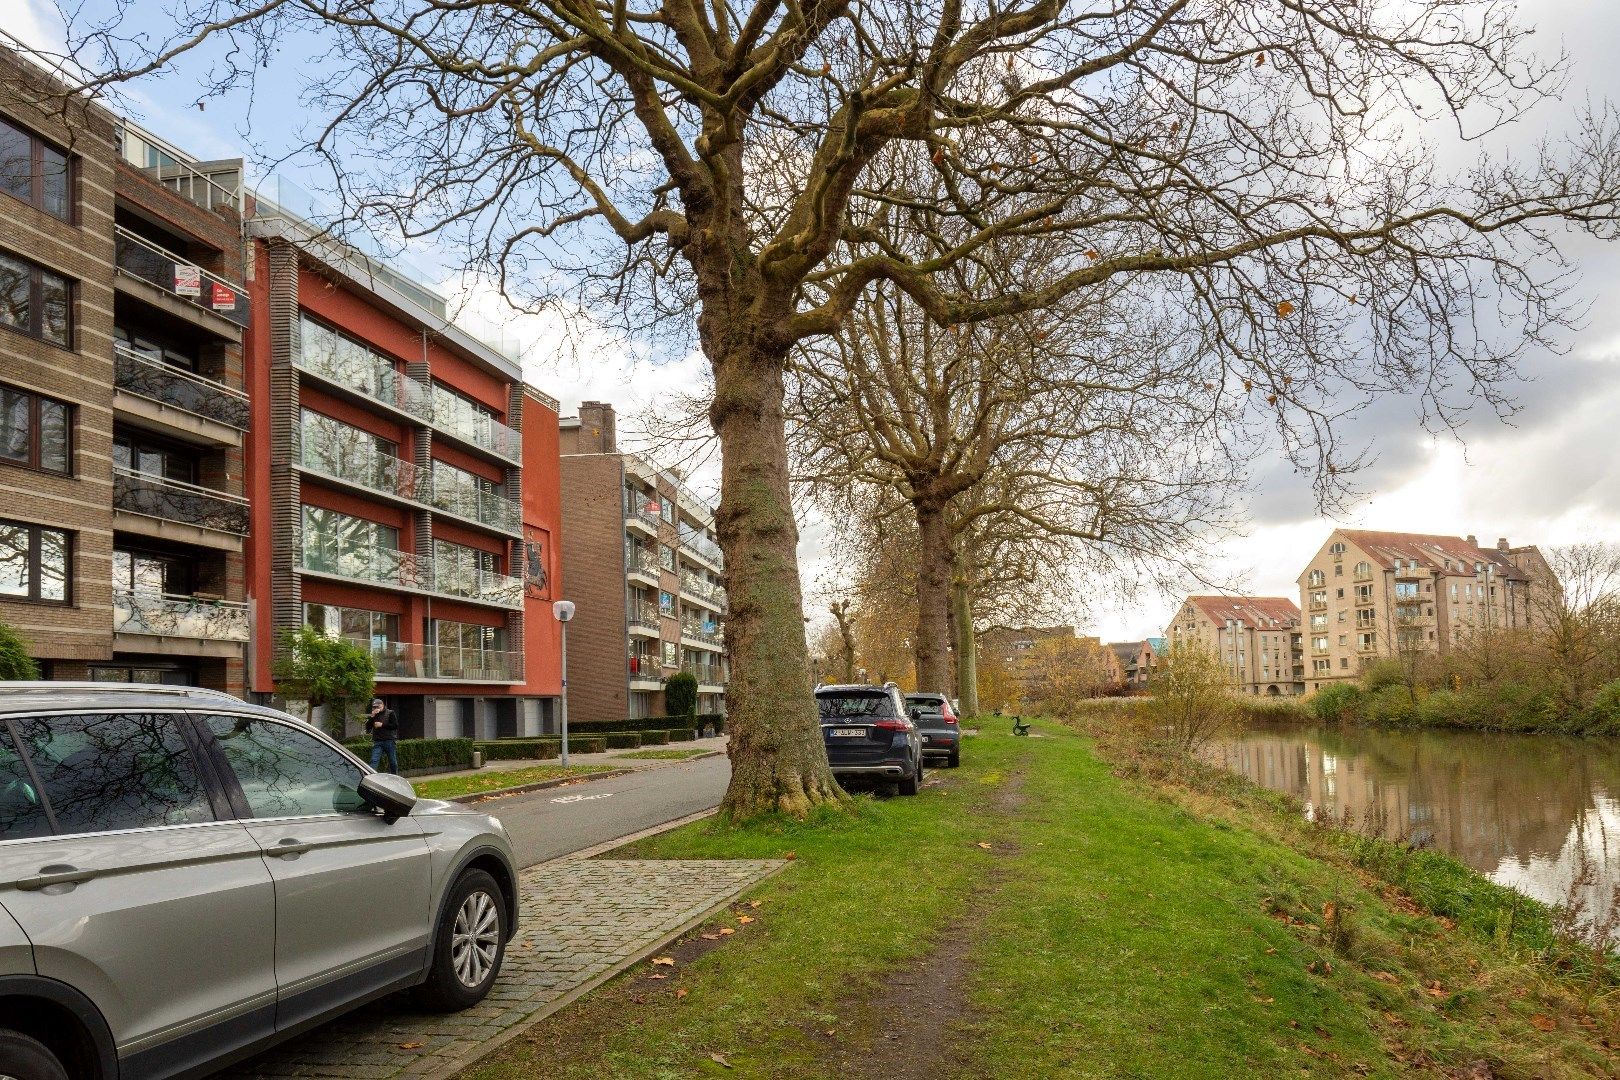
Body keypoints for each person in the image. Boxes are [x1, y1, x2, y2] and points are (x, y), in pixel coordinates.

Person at [366, 698, 399, 773]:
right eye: (374, 707)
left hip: (389, 740)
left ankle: (395, 776)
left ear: (383, 705)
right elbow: (368, 727)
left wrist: (382, 725)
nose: (376, 708)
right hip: (378, 741)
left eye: (378, 706)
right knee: (374, 760)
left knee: (392, 761)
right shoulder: (374, 715)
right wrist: (372, 716)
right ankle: (371, 776)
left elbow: (395, 725)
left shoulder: (390, 713)